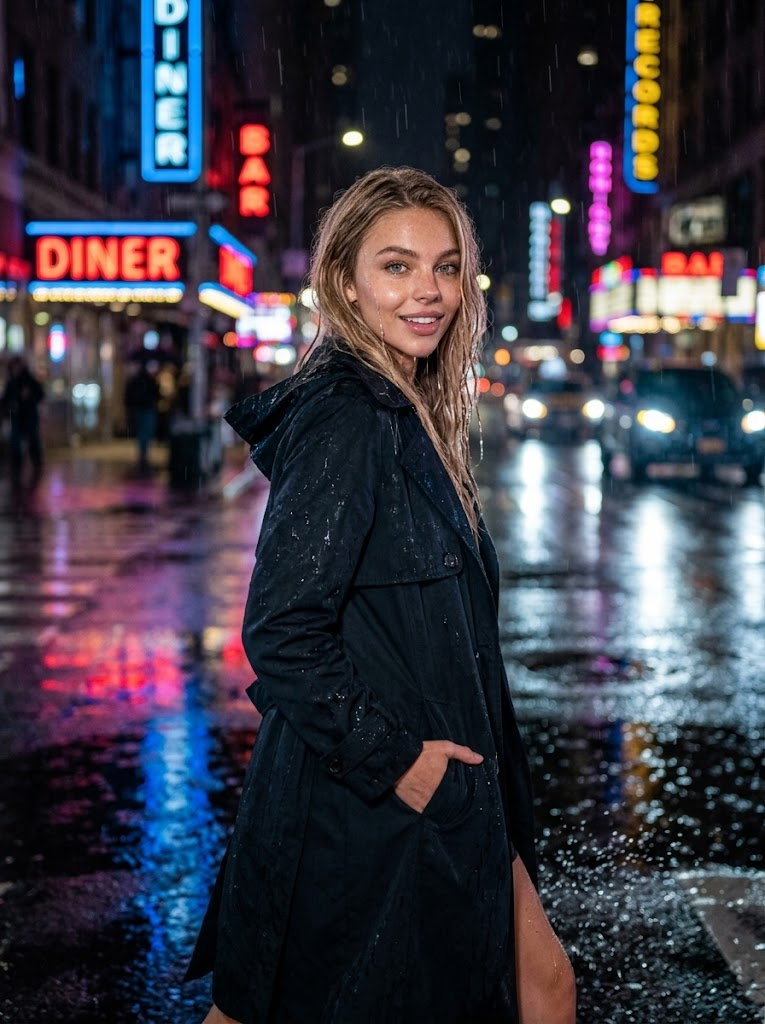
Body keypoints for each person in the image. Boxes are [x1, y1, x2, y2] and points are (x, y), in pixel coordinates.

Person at [186, 166, 576, 1024]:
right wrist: (399, 764)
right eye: (396, 266)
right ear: (344, 283)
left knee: (536, 984)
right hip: (376, 794)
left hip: (436, 786)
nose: (427, 291)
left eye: (443, 267)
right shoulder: (350, 416)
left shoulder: (400, 408)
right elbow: (284, 629)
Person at [1, 356, 45, 488]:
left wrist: (30, 396)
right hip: (17, 417)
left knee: (33, 441)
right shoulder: (11, 382)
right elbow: (6, 399)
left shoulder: (29, 381)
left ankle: (36, 465)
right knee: (16, 444)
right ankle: (17, 467)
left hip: (29, 417)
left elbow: (40, 394)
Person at [124, 363, 160, 472]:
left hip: (141, 410)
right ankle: (143, 455)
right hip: (146, 409)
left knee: (142, 433)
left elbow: (128, 396)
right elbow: (156, 394)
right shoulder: (149, 381)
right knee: (146, 432)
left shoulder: (136, 381)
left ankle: (143, 455)